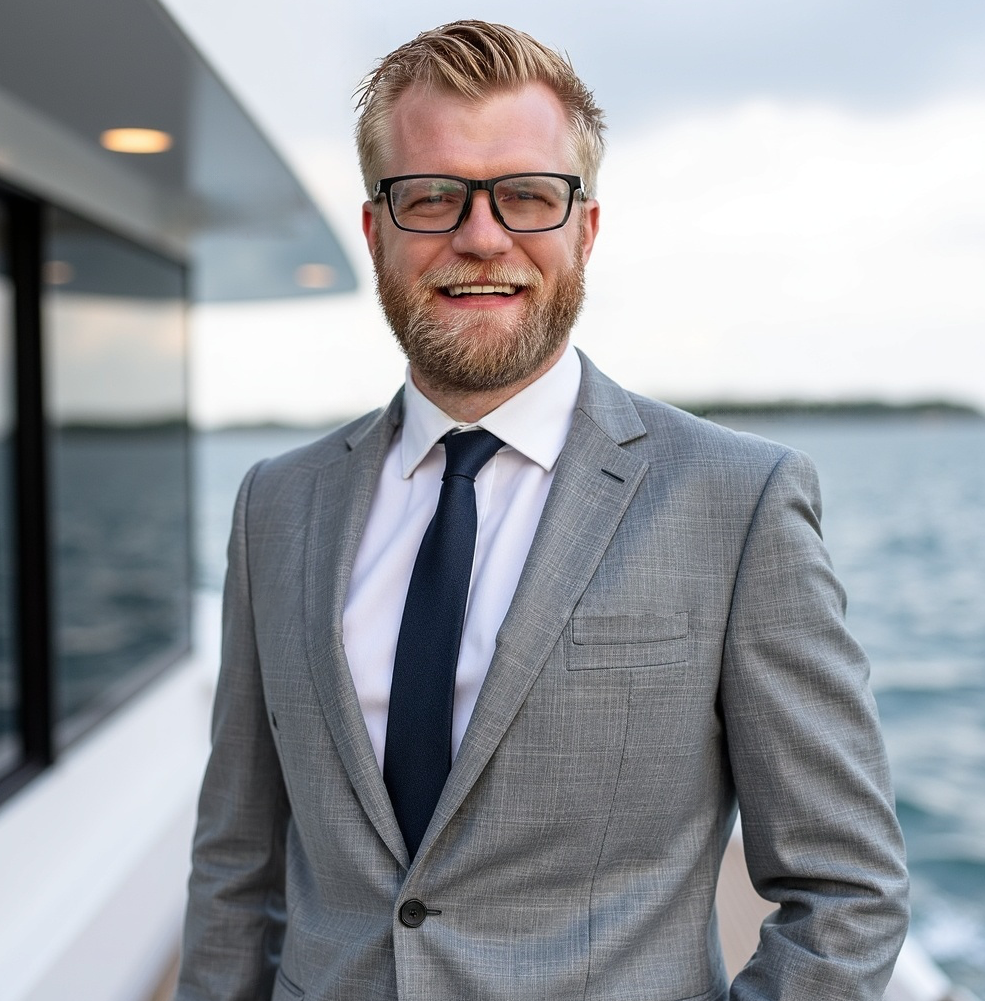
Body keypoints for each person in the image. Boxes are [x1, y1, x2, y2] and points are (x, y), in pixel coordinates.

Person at [177, 20, 909, 1001]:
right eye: (431, 196)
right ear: (375, 230)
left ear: (585, 228)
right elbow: (236, 865)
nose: (481, 236)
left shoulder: (736, 501)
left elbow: (843, 890)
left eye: (526, 195)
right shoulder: (277, 501)